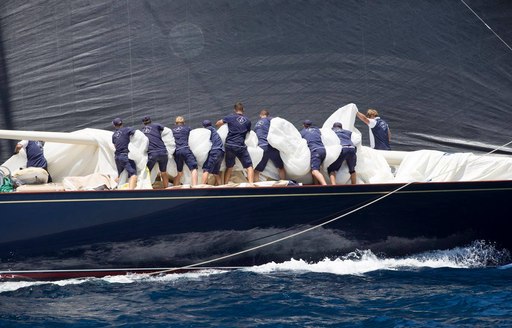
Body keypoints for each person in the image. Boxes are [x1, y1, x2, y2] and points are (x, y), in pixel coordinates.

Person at [216, 102, 254, 184]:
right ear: (243, 110)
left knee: (229, 167)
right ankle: (251, 184)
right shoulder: (247, 121)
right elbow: (248, 132)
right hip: (240, 146)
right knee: (249, 166)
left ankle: (226, 185)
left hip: (230, 145)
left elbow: (218, 123)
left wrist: (224, 126)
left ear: (234, 110)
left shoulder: (230, 117)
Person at [253, 109, 286, 181]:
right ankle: (283, 184)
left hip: (261, 147)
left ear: (260, 115)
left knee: (257, 170)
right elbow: (277, 121)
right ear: (267, 115)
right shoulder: (269, 119)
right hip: (270, 146)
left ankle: (256, 188)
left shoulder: (256, 124)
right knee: (280, 167)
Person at [141, 116, 169, 188]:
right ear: (150, 121)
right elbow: (165, 130)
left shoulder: (142, 130)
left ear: (143, 123)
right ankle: (166, 188)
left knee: (147, 172)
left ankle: (147, 187)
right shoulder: (156, 125)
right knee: (163, 172)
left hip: (152, 153)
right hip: (163, 151)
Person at [171, 116, 198, 186]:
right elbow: (193, 137)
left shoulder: (172, 130)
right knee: (193, 169)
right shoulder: (187, 128)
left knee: (179, 172)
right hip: (185, 149)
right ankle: (195, 187)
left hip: (177, 151)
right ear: (184, 123)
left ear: (175, 123)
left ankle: (175, 189)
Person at [112, 118, 137, 189]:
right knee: (133, 175)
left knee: (121, 175)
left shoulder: (114, 135)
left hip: (117, 157)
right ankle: (131, 194)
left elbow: (115, 146)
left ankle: (113, 188)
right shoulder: (127, 129)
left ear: (114, 125)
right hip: (125, 156)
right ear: (122, 123)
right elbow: (136, 134)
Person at [300, 120, 327, 185]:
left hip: (315, 151)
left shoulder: (302, 132)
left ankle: (325, 185)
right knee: (316, 169)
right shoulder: (317, 130)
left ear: (303, 125)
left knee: (314, 171)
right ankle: (316, 184)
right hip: (323, 150)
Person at [201, 120, 225, 185]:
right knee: (215, 172)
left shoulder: (207, 131)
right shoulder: (214, 130)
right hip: (221, 152)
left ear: (203, 126)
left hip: (215, 151)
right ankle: (221, 186)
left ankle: (201, 187)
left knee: (206, 169)